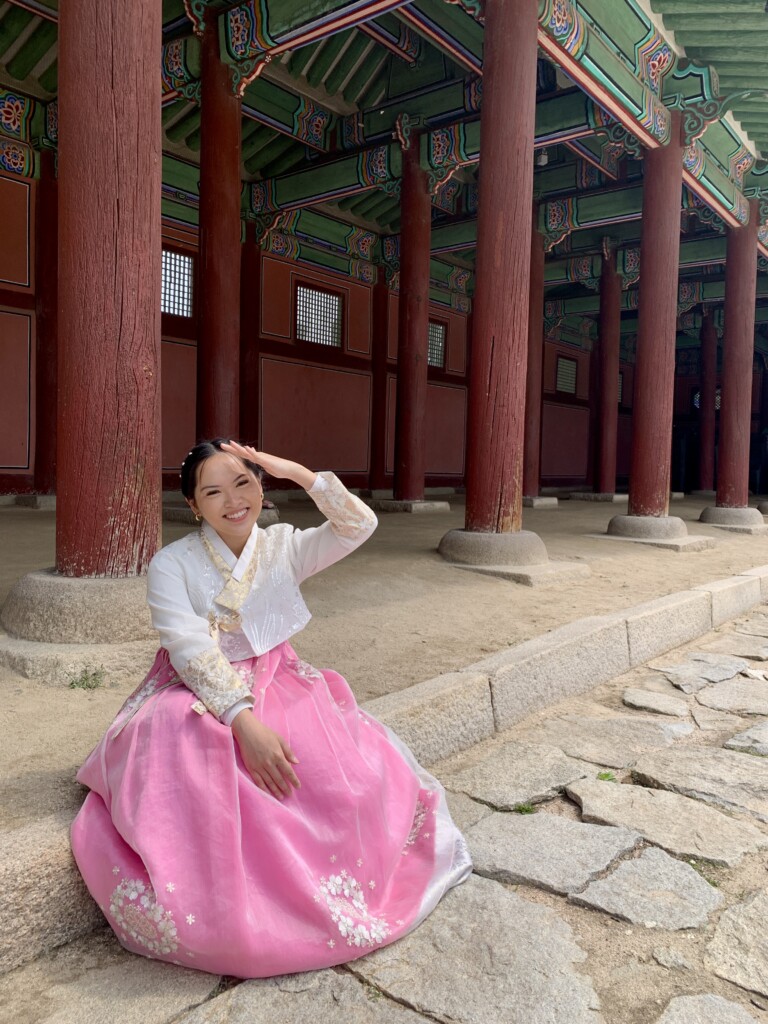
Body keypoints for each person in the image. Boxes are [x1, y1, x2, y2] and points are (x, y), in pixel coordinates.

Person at [71, 439, 471, 978]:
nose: (233, 501)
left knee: (321, 763)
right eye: (213, 492)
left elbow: (359, 525)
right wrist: (242, 721)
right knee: (180, 737)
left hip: (279, 675)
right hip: (195, 684)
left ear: (261, 486)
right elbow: (188, 647)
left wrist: (301, 474)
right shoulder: (171, 563)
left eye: (245, 483)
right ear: (194, 505)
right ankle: (218, 899)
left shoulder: (284, 545)